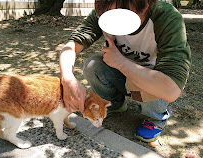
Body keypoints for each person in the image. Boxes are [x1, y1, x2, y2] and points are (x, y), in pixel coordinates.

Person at [59, 0, 191, 142]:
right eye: (106, 16)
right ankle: (115, 104)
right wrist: (67, 78)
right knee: (92, 66)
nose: (113, 24)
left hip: (150, 79)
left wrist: (121, 62)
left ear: (145, 5)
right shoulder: (105, 11)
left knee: (141, 79)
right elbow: (72, 45)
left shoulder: (166, 17)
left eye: (120, 16)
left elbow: (171, 89)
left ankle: (156, 118)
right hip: (122, 75)